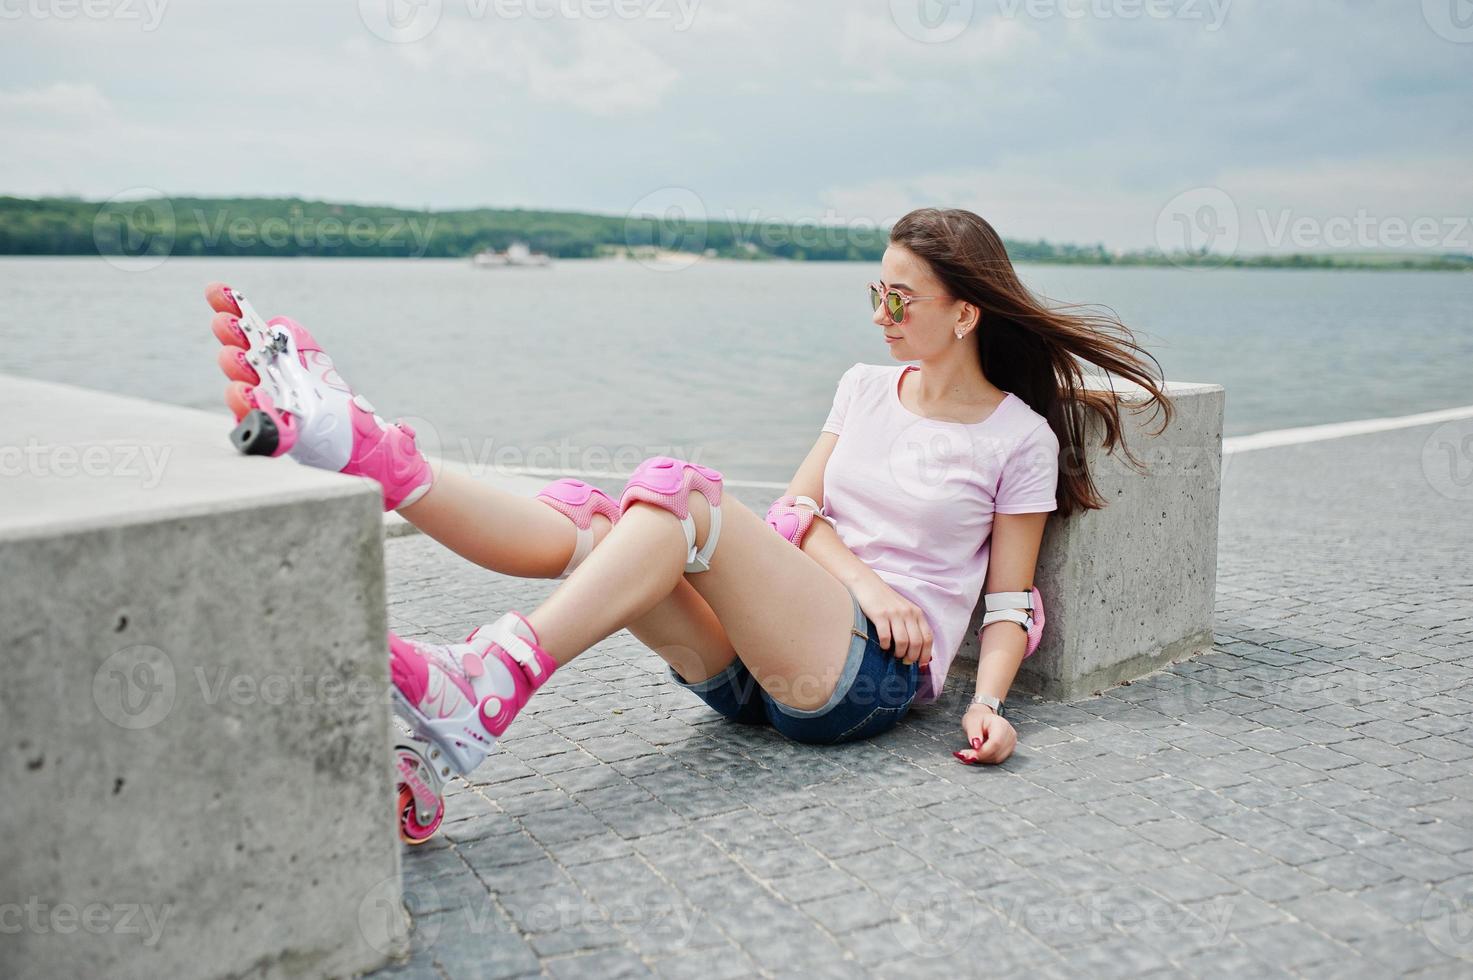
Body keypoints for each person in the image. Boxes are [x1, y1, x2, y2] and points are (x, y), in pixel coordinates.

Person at [206, 207, 1172, 839]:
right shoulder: (866, 388)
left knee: (683, 494)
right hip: (755, 668)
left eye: (898, 296)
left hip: (860, 684)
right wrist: (863, 578)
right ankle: (369, 454)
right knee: (602, 516)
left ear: (964, 315)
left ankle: (484, 677)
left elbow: (1010, 600)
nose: (878, 313)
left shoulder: (1016, 439)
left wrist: (987, 706)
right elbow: (797, 511)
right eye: (871, 291)